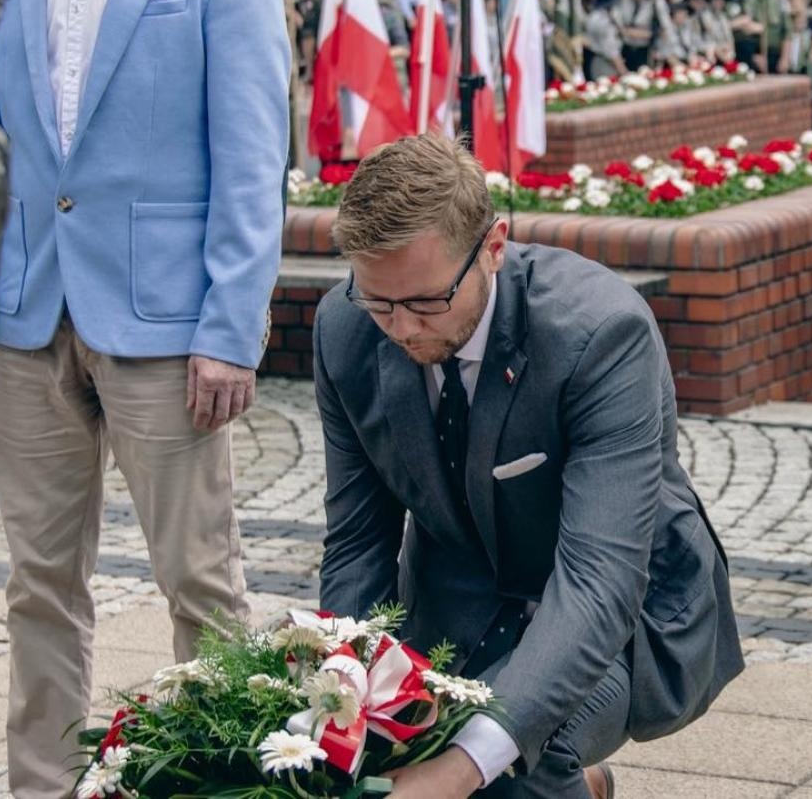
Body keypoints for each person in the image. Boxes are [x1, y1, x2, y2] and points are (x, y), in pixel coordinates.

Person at [0, 0, 290, 794]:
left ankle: (221, 778)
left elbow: (251, 160)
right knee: (38, 584)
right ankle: (40, 784)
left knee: (202, 580)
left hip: (167, 321)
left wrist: (229, 327)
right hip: (29, 307)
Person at [315, 134, 743, 799]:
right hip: (458, 601)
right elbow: (357, 541)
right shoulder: (344, 329)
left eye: (426, 301)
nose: (399, 328)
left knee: (516, 762)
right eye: (378, 301)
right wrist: (349, 686)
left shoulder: (602, 333)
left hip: (622, 612)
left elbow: (599, 581)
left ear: (493, 245)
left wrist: (459, 767)